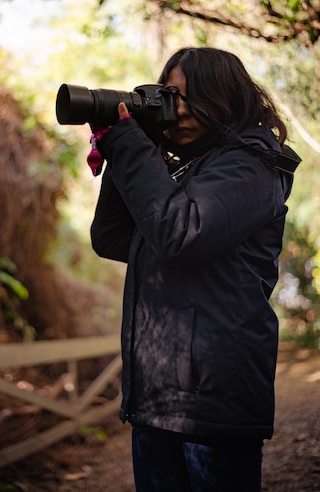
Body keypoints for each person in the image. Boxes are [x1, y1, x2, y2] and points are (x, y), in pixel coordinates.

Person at [89, 47, 300, 492]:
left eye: (189, 96)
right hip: (158, 400)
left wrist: (130, 146)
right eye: (169, 97)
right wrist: (125, 142)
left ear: (226, 96)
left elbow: (179, 233)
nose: (177, 109)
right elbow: (111, 237)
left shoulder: (255, 164)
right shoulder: (187, 173)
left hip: (214, 404)